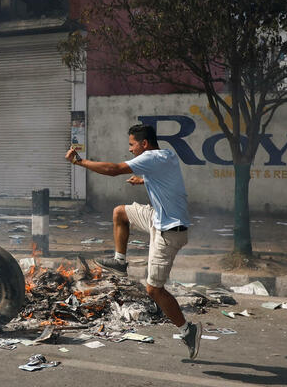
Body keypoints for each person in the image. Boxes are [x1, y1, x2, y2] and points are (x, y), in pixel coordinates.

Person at [65, 123, 200, 359]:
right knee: (120, 212)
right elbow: (164, 179)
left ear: (144, 144)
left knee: (154, 290)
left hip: (168, 231)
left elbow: (113, 169)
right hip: (157, 218)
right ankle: (119, 261)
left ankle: (188, 330)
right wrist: (145, 181)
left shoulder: (149, 158)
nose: (130, 150)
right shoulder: (165, 154)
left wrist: (80, 162)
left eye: (131, 144)